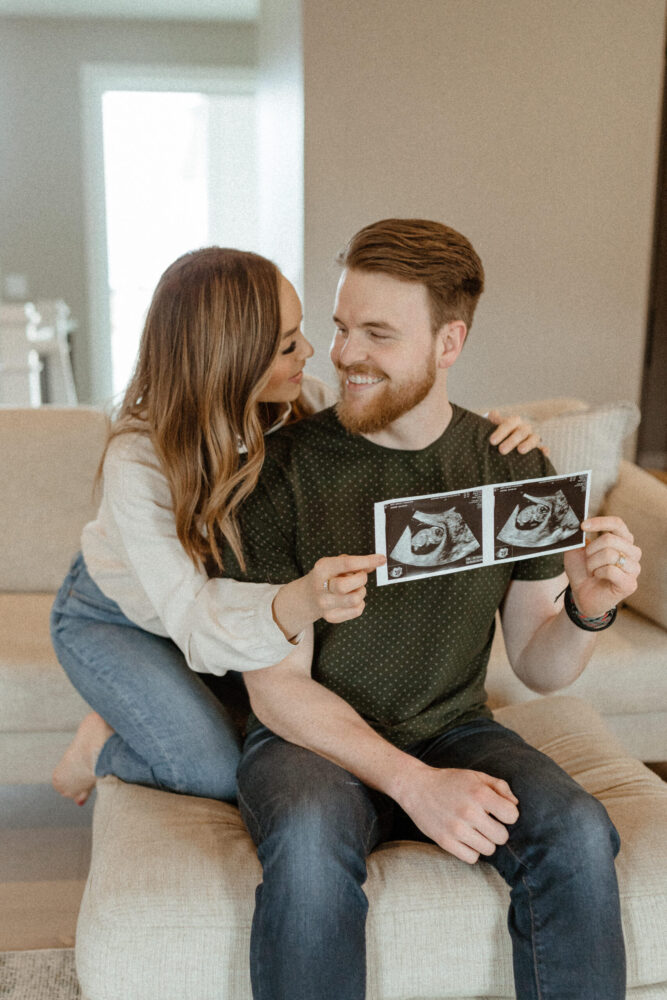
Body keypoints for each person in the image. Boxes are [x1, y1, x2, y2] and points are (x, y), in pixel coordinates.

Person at [225, 219, 642, 1000]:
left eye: (377, 334)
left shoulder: (510, 464)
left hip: (456, 727)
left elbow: (536, 665)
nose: (345, 353)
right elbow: (274, 688)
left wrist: (588, 607)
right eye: (342, 326)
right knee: (311, 843)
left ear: (447, 344)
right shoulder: (279, 474)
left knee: (579, 832)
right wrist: (414, 784)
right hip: (308, 738)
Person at [50, 246, 540, 808]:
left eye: (305, 330)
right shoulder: (138, 462)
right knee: (215, 772)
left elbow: (398, 420)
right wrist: (302, 600)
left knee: (282, 718)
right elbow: (194, 623)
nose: (313, 351)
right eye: (287, 345)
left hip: (231, 610)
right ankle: (96, 750)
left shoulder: (296, 401)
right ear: (229, 358)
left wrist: (494, 443)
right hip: (127, 615)